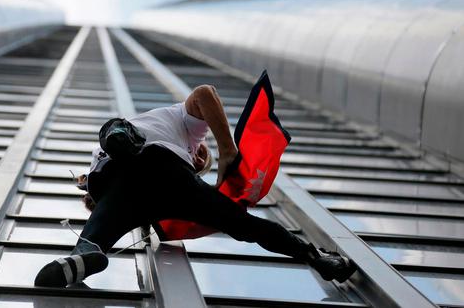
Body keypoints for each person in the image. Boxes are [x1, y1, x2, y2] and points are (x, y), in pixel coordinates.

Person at [34, 84, 357, 287]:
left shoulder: (185, 158)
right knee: (244, 225)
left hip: (127, 185)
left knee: (99, 231)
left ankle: (85, 256)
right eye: (203, 157)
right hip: (151, 170)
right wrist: (227, 149)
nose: (202, 155)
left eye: (203, 162)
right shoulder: (184, 125)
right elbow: (204, 93)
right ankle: (316, 257)